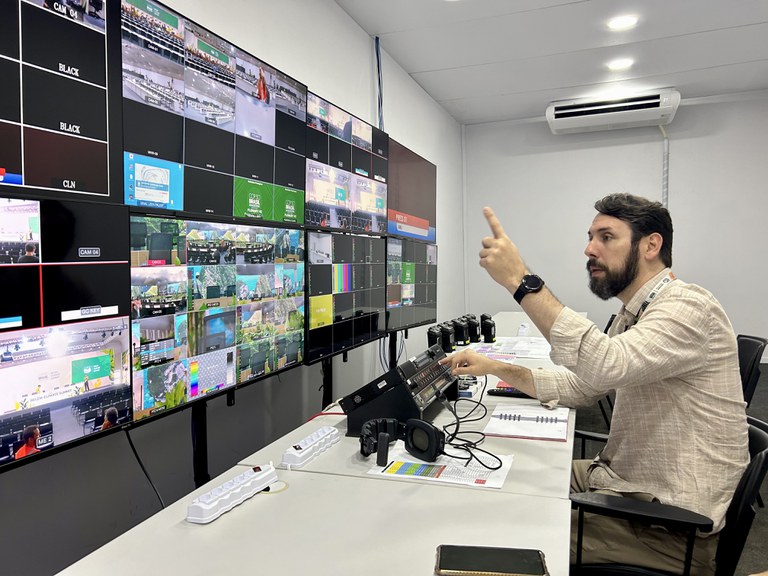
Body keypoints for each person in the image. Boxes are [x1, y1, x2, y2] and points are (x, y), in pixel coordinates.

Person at [441, 194, 748, 575]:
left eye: (606, 237)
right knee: (508, 474)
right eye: (590, 237)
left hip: (666, 526)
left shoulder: (688, 307)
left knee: (505, 527)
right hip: (625, 483)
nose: (589, 249)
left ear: (651, 245)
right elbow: (583, 387)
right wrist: (496, 367)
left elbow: (604, 365)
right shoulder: (636, 312)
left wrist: (520, 280)